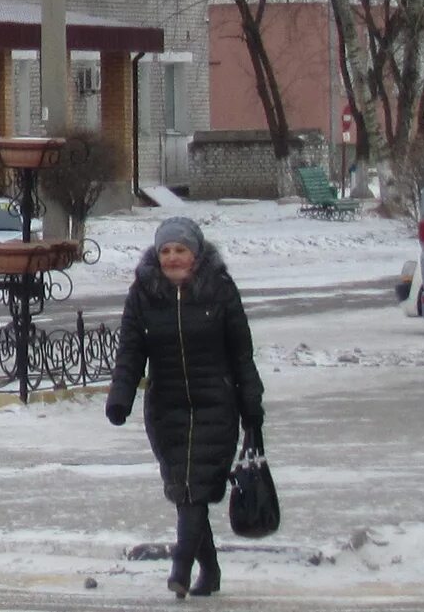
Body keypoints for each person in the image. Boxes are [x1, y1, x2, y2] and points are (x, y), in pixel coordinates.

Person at [105, 216, 265, 599]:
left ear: (196, 253)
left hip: (215, 404)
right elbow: (130, 351)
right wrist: (120, 397)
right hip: (167, 409)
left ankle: (181, 565)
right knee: (185, 490)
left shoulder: (220, 291)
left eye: (181, 250)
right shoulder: (143, 294)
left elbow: (242, 352)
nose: (173, 258)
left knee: (196, 489)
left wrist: (251, 403)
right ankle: (209, 571)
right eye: (166, 251)